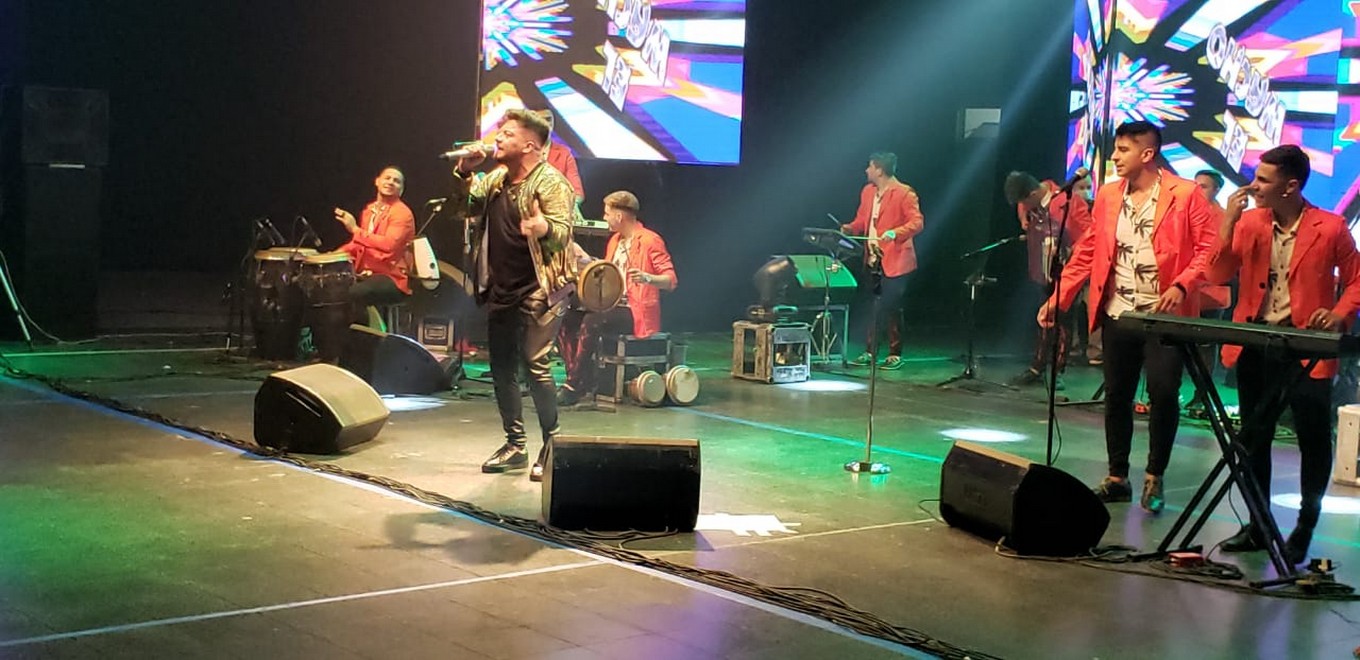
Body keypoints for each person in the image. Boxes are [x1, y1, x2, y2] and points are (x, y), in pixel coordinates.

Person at [1037, 120, 1217, 513]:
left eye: (1123, 150)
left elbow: (1208, 248)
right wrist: (1060, 296)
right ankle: (1117, 476)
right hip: (1119, 310)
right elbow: (1090, 250)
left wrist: (1183, 284)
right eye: (1115, 150)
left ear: (1147, 154)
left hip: (1165, 315)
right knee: (1117, 394)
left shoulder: (1184, 194)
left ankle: (1156, 474)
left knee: (1164, 393)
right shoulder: (1107, 195)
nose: (1115, 157)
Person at [1208, 145, 1360, 564]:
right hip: (1258, 341)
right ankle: (1258, 523)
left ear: (1290, 186)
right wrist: (1227, 225)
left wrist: (1339, 313)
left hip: (1306, 347)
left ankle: (1305, 524)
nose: (1253, 186)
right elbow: (1217, 275)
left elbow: (1356, 280)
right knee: (1255, 436)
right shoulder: (1250, 222)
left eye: (1263, 180)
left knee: (1313, 436)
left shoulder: (1330, 228)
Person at [454, 108, 577, 481]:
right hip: (502, 287)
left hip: (541, 286)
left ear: (529, 145)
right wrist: (463, 172)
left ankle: (552, 444)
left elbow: (563, 230)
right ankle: (516, 445)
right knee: (502, 367)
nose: (498, 138)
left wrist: (543, 226)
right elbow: (466, 205)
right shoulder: (495, 179)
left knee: (535, 365)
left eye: (506, 133)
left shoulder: (552, 182)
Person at [558, 191, 677, 405]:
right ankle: (580, 378)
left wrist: (648, 277)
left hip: (634, 309)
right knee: (566, 317)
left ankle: (574, 385)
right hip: (611, 303)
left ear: (619, 216)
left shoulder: (650, 240)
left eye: (607, 213)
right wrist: (587, 261)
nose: (605, 218)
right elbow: (611, 274)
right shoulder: (614, 241)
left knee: (592, 321)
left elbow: (670, 280)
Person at [1003, 171, 1092, 389]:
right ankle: (1037, 367)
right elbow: (1023, 205)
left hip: (1066, 271)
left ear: (1033, 193)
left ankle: (1057, 370)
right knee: (1044, 320)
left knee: (1062, 322)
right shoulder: (1035, 197)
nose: (1023, 205)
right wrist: (1023, 216)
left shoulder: (1069, 202)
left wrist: (1070, 250)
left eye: (1025, 200)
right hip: (1041, 269)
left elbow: (1089, 235)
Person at [841, 152, 925, 370]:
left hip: (896, 259)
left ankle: (895, 353)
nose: (866, 170)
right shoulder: (868, 192)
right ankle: (870, 351)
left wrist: (895, 233)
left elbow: (917, 223)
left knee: (892, 306)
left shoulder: (904, 193)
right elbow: (862, 220)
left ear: (879, 169)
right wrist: (850, 228)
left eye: (870, 166)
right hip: (873, 258)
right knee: (874, 305)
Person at [333, 166, 416, 309]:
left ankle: (360, 328)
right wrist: (332, 256)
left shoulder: (402, 213)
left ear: (401, 189)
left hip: (391, 277)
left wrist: (355, 229)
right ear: (377, 181)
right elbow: (359, 244)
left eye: (396, 181)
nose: (391, 182)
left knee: (351, 293)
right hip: (365, 274)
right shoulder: (369, 210)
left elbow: (388, 245)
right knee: (332, 289)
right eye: (387, 178)